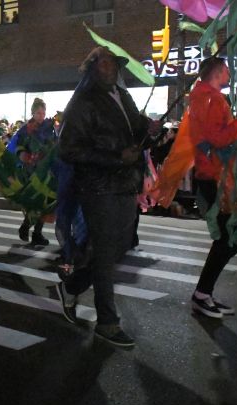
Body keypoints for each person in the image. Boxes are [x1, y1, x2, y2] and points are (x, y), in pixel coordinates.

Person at [56, 46, 159, 347]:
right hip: (98, 188)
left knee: (120, 246)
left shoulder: (123, 96)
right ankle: (107, 323)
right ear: (91, 68)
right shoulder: (83, 102)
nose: (110, 68)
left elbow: (137, 132)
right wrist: (116, 157)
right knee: (103, 253)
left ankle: (72, 285)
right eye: (103, 63)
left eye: (113, 63)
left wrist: (150, 128)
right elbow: (69, 149)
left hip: (126, 184)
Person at [184, 57, 237, 318]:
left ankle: (204, 293)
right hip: (214, 177)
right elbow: (219, 138)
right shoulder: (209, 98)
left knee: (229, 238)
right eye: (227, 71)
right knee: (228, 238)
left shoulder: (206, 97)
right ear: (219, 72)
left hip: (219, 176)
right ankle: (202, 294)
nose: (230, 75)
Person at [8, 97, 56, 246]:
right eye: (38, 113)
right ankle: (27, 227)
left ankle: (36, 233)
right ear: (32, 113)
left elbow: (54, 144)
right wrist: (23, 154)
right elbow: (17, 147)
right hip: (32, 170)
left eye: (43, 113)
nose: (41, 116)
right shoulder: (26, 129)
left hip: (48, 169)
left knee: (48, 202)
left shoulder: (49, 127)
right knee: (37, 201)